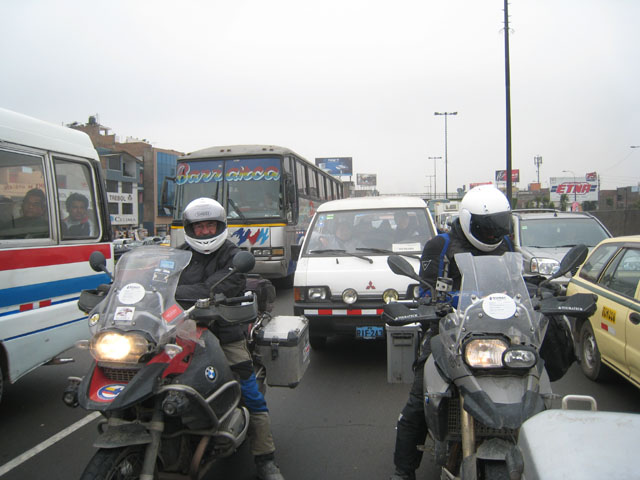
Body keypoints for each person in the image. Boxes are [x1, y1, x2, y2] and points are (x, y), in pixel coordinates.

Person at [390, 185, 514, 480]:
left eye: (498, 224)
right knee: (420, 400)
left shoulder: (506, 243)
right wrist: (436, 304)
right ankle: (403, 471)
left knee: (535, 377)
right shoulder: (440, 245)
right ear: (469, 220)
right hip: (449, 332)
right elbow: (425, 289)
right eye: (486, 226)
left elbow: (515, 279)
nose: (492, 233)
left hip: (500, 332)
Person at [174, 197, 285, 480]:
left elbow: (214, 286)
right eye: (199, 227)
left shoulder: (235, 257)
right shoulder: (179, 255)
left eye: (210, 225)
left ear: (220, 226)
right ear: (189, 228)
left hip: (225, 334)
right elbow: (164, 282)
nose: (205, 232)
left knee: (249, 392)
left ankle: (265, 460)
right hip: (185, 333)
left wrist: (184, 290)